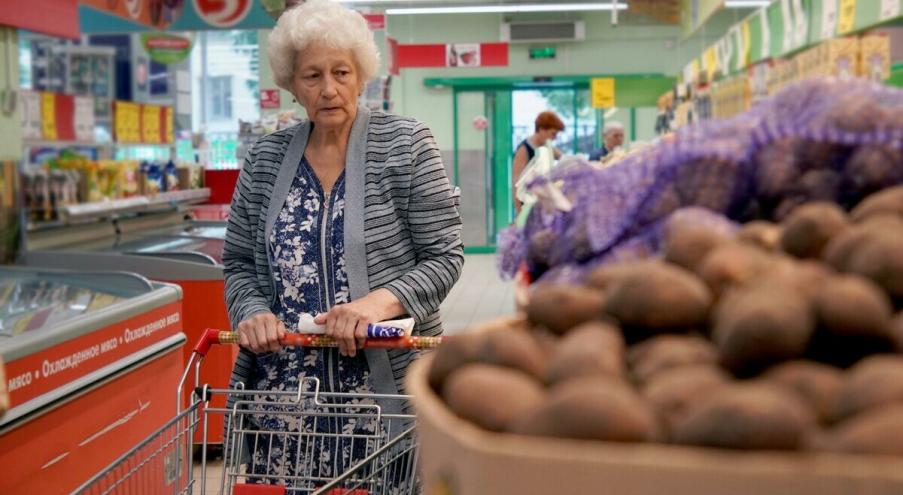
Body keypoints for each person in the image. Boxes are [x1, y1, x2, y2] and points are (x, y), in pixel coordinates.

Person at [222, 0, 463, 486]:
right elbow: (240, 261)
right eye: (312, 76)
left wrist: (376, 305)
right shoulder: (265, 158)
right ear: (291, 83)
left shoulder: (407, 144)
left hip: (385, 402)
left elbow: (444, 257)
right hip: (287, 402)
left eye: (341, 72)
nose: (329, 89)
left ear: (362, 75)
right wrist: (251, 312)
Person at [512, 111, 565, 213]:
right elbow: (516, 183)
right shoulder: (524, 150)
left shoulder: (548, 147)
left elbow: (564, 159)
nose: (555, 138)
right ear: (541, 129)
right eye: (553, 133)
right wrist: (519, 211)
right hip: (528, 203)